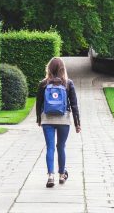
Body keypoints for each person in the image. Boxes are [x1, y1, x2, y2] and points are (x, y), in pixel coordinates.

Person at [36, 57, 81, 188]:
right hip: (64, 119)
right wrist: (77, 124)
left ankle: (51, 175)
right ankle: (62, 174)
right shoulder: (68, 83)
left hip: (47, 119)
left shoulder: (44, 84)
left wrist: (39, 119)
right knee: (61, 146)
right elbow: (74, 105)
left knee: (49, 147)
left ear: (49, 68)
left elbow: (38, 104)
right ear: (63, 69)